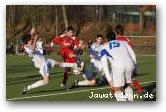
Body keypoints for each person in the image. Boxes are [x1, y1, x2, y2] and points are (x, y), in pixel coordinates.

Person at [100, 31, 136, 101]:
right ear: (115, 37)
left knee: (117, 89)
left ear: (107, 40)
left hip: (118, 66)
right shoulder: (124, 43)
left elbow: (105, 65)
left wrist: (109, 80)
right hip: (129, 64)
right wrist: (134, 66)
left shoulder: (104, 47)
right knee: (127, 85)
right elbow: (133, 54)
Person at [114, 24, 144, 94]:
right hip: (129, 61)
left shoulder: (114, 40)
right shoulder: (127, 40)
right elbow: (131, 52)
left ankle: (113, 93)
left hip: (118, 62)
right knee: (131, 78)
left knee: (116, 79)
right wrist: (134, 64)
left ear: (115, 31)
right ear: (123, 31)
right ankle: (140, 90)